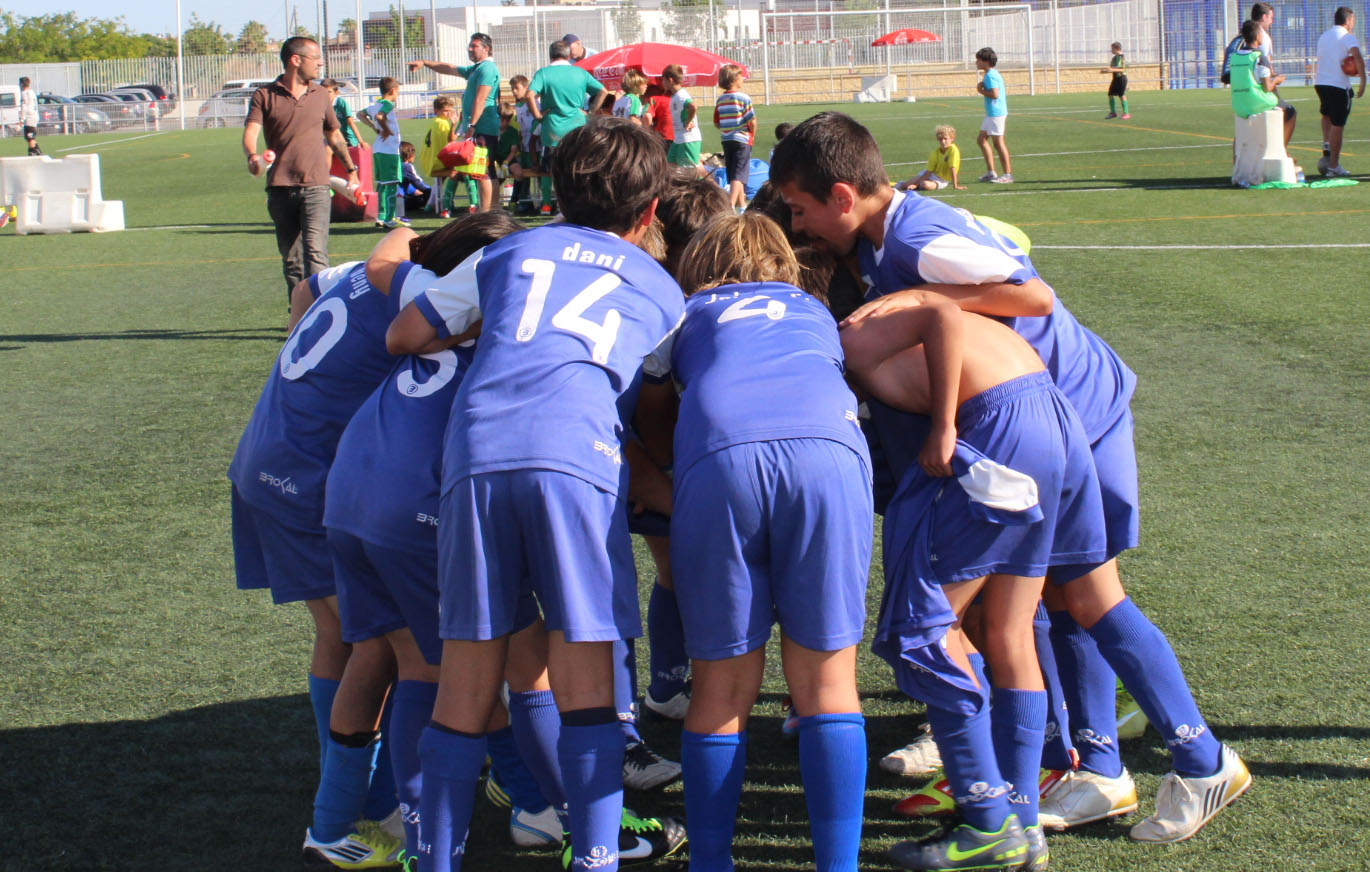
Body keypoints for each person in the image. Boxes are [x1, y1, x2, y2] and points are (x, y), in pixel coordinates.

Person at [771, 111, 1251, 850]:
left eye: (800, 209)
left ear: (842, 195)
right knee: (1052, 602)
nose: (797, 223)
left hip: (1072, 413)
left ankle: (1198, 758)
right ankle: (1096, 766)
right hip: (1031, 418)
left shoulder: (921, 237)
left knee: (1084, 596)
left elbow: (1033, 297)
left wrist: (923, 305)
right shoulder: (876, 239)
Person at [385, 118, 687, 872]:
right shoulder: (661, 286)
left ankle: (436, 860)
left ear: (554, 188)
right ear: (650, 210)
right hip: (577, 461)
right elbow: (656, 395)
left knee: (465, 683)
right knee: (585, 679)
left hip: (478, 453)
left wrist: (491, 331)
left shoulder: (507, 251)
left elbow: (405, 336)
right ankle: (595, 857)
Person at [664, 212, 873, 872]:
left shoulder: (685, 312)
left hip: (722, 456)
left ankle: (710, 863)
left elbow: (651, 405)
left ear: (700, 264)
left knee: (721, 687)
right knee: (829, 683)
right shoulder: (814, 309)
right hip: (830, 452)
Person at [243, 36, 359, 300]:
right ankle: (298, 311)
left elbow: (334, 135)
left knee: (316, 254)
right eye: (315, 58)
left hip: (316, 186)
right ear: (295, 60)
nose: (320, 63)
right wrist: (252, 156)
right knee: (292, 260)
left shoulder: (321, 95)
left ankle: (320, 310)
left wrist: (351, 170)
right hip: (280, 188)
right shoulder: (264, 95)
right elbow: (251, 131)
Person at [409, 33, 501, 211]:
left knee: (482, 171)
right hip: (481, 127)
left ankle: (487, 213)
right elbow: (449, 68)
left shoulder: (487, 69)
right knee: (486, 171)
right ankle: (493, 212)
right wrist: (425, 63)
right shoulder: (477, 68)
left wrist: (472, 125)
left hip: (483, 126)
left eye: (474, 46)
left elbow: (481, 99)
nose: (470, 49)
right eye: (470, 45)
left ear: (486, 48)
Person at [526, 40, 610, 215]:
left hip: (553, 130)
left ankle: (556, 206)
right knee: (577, 169)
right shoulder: (580, 72)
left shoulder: (544, 73)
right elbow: (603, 91)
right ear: (569, 55)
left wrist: (538, 116)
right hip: (577, 128)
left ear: (550, 55)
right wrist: (590, 112)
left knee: (555, 172)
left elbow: (529, 95)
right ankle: (579, 207)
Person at [1313, 6, 1365, 177]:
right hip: (1338, 86)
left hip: (1321, 84)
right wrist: (1363, 80)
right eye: (1353, 20)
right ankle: (1334, 166)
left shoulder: (1324, 36)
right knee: (1338, 125)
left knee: (1326, 115)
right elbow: (1357, 56)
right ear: (1348, 20)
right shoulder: (1346, 37)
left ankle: (1326, 147)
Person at [359, 77, 408, 229]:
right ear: (393, 91)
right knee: (392, 184)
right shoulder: (387, 104)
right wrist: (385, 129)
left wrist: (374, 127)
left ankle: (380, 216)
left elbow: (360, 114)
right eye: (397, 92)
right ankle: (389, 218)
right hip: (389, 151)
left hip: (379, 149)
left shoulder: (375, 105)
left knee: (382, 185)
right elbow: (380, 116)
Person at [1250, 4, 1297, 145]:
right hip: (1261, 90)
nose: (1272, 21)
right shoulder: (1263, 38)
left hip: (1244, 91)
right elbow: (1263, 65)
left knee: (1245, 124)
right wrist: (1276, 78)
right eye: (1271, 18)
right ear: (1264, 17)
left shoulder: (1243, 36)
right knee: (1289, 112)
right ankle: (1280, 149)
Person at [713, 64, 757, 211]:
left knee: (733, 172)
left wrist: (727, 129)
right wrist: (752, 134)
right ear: (734, 79)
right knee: (739, 174)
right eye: (741, 76)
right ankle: (730, 205)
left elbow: (717, 122)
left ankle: (742, 205)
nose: (743, 79)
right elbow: (752, 120)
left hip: (727, 139)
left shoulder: (720, 99)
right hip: (742, 139)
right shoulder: (743, 98)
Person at [1231, 19, 1284, 120]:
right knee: (1289, 110)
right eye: (1261, 33)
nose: (1263, 36)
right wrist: (1277, 80)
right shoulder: (1260, 58)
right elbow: (1267, 88)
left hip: (1238, 105)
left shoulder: (1234, 57)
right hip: (1257, 103)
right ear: (1257, 37)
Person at [974, 47, 1013, 183]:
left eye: (978, 60)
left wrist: (981, 91)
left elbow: (995, 94)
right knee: (981, 140)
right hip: (992, 113)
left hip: (996, 113)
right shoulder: (991, 74)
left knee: (998, 143)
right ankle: (991, 172)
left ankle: (1007, 175)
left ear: (985, 61)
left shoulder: (990, 75)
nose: (976, 62)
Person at [897, 125, 965, 191]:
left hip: (942, 180)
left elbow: (952, 168)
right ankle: (901, 185)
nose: (943, 141)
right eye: (940, 139)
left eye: (945, 138)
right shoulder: (935, 152)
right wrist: (915, 184)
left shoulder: (953, 150)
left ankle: (918, 185)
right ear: (937, 139)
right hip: (931, 175)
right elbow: (929, 171)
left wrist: (955, 186)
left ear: (952, 138)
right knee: (905, 185)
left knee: (925, 185)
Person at [662, 65, 703, 173]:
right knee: (670, 167)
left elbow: (693, 106)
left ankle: (709, 184)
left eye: (663, 80)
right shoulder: (675, 96)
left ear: (670, 80)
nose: (662, 83)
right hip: (679, 139)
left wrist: (688, 121)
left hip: (688, 139)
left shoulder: (681, 95)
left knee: (690, 174)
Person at [327, 78, 365, 148]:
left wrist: (361, 141)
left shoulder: (341, 103)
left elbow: (351, 122)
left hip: (347, 139)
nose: (326, 94)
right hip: (333, 138)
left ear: (336, 93)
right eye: (323, 92)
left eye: (329, 92)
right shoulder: (322, 105)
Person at [399, 141, 432, 213]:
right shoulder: (407, 167)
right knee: (430, 195)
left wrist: (414, 191)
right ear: (409, 155)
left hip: (385, 200)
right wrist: (433, 193)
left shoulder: (392, 165)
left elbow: (400, 183)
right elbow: (421, 185)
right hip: (400, 202)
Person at [1102, 42, 1131, 119]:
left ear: (1117, 48)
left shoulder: (1121, 57)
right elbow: (1113, 68)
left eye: (1112, 49)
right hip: (1115, 78)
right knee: (1110, 94)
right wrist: (1106, 71)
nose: (1111, 50)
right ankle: (1113, 112)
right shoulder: (1114, 58)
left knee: (1121, 95)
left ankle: (1126, 113)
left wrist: (1111, 70)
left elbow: (1122, 69)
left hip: (1121, 78)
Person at [19, 77, 41, 156]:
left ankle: (32, 153)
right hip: (34, 115)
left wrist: (21, 120)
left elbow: (24, 107)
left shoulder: (24, 93)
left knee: (29, 136)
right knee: (30, 136)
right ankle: (38, 151)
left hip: (29, 117)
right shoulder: (32, 92)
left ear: (22, 84)